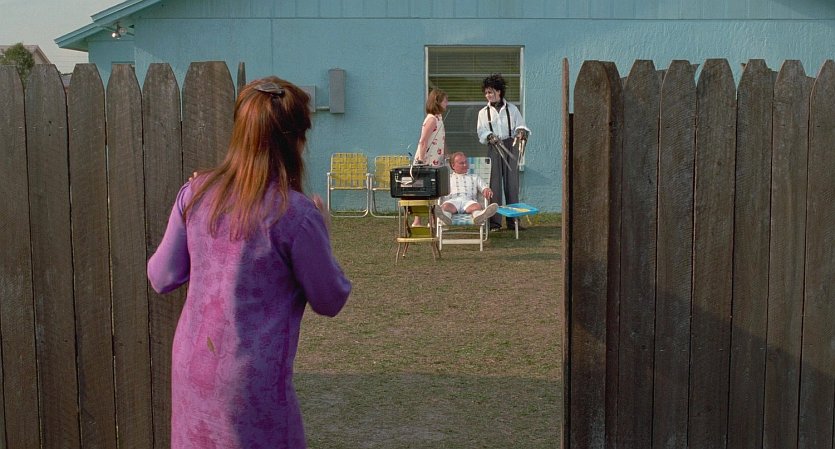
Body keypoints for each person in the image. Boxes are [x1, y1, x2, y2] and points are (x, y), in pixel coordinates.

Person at [147, 76, 351, 449]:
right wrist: (323, 230)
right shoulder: (296, 215)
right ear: (296, 140)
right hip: (253, 384)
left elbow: (161, 276)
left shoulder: (195, 194)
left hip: (192, 370)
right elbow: (330, 298)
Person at [476, 73, 530, 231]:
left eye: (491, 92)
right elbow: (480, 131)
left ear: (499, 91)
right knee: (494, 185)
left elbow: (521, 125)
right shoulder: (483, 112)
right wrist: (489, 136)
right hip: (493, 146)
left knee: (512, 184)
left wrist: (521, 132)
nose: (488, 95)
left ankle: (514, 221)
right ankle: (495, 222)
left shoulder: (512, 109)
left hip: (510, 145)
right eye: (486, 92)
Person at [436, 152, 499, 226]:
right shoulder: (447, 178)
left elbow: (484, 187)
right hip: (452, 201)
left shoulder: (474, 177)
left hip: (469, 201)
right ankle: (445, 218)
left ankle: (479, 217)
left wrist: (486, 190)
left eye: (466, 162)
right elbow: (439, 190)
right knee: (445, 207)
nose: (465, 165)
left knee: (477, 207)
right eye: (461, 163)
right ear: (453, 166)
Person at [413, 88, 448, 167]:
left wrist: (446, 154)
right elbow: (423, 141)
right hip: (427, 162)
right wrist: (421, 161)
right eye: (445, 101)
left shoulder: (439, 118)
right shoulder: (432, 119)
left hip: (435, 161)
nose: (447, 104)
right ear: (437, 102)